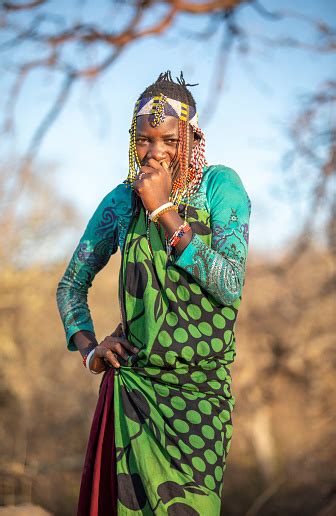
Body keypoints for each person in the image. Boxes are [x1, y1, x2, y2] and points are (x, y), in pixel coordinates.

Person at [56, 71, 251, 516]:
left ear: (191, 137)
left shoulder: (221, 187)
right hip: (135, 394)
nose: (156, 152)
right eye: (145, 140)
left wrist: (163, 210)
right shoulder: (122, 202)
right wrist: (90, 350)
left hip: (199, 399)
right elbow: (71, 286)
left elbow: (229, 284)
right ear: (133, 140)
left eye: (169, 139)